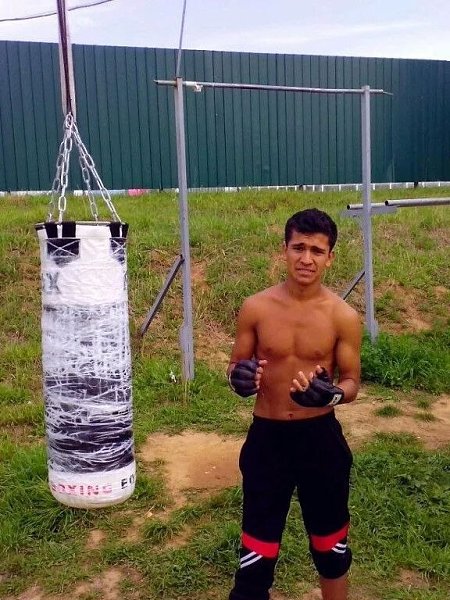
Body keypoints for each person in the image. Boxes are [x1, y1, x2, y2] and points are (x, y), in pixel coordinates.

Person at [227, 208, 362, 600]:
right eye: (298, 248)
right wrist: (238, 378)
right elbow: (236, 365)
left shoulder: (342, 316)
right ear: (283, 250)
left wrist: (332, 394)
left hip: (320, 439)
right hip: (268, 439)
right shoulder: (256, 307)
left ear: (330, 257)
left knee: (331, 549)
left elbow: (352, 381)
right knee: (256, 556)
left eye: (317, 251)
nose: (307, 259)